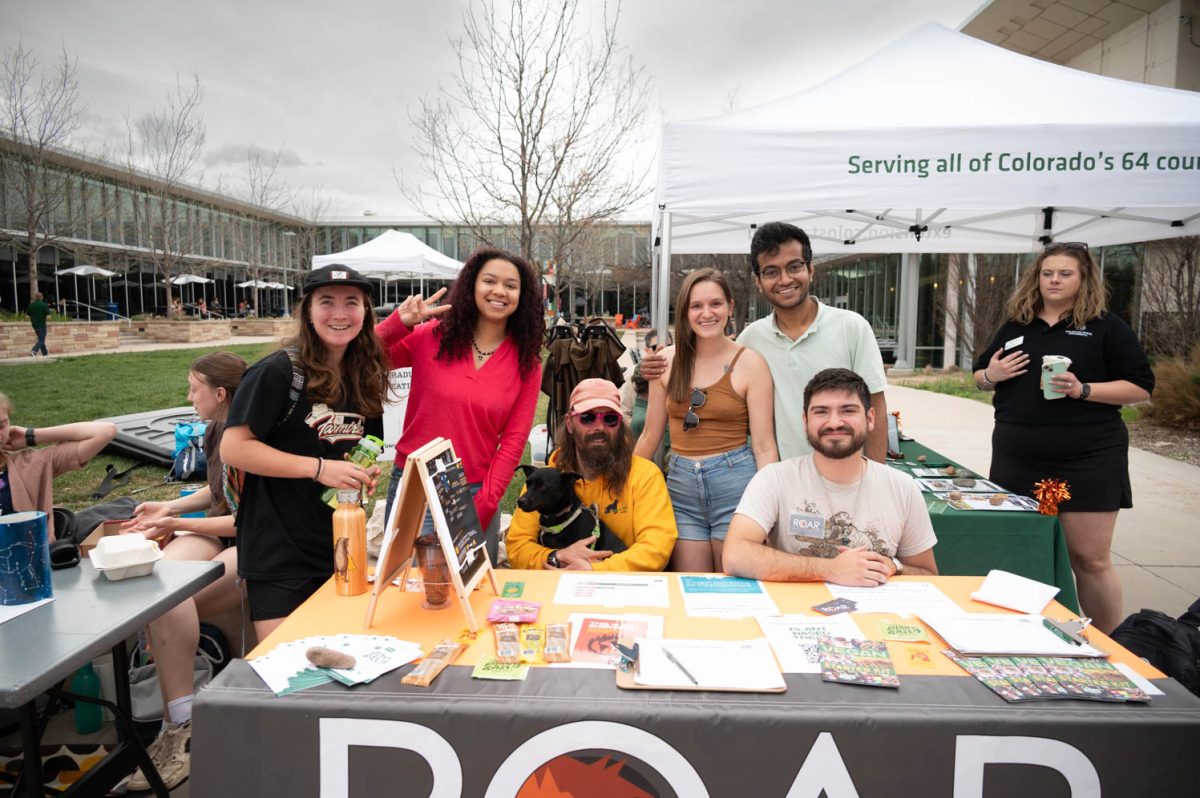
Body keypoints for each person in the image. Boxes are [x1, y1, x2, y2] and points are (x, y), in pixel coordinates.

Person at [972, 242, 1154, 633]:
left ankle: (1109, 644)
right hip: (1017, 456)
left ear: (1083, 278)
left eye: (1064, 273)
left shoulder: (1105, 326)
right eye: (1047, 273)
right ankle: (1027, 635)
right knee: (1020, 551)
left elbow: (1140, 387)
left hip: (1087, 457)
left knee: (1089, 559)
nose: (1054, 280)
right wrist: (992, 376)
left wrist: (1083, 389)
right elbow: (979, 374)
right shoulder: (1017, 324)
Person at [222, 264, 388, 639]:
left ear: (366, 313)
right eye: (326, 302)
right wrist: (318, 469)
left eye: (352, 303)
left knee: (341, 665)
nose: (340, 314)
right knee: (289, 672)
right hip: (279, 552)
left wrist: (360, 474)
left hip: (340, 547)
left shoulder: (365, 376)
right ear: (308, 312)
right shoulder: (278, 372)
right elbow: (233, 448)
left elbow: (363, 448)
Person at [641, 223, 889, 462]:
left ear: (810, 269)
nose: (784, 279)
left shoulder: (852, 328)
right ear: (758, 281)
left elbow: (875, 410)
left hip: (843, 473)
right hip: (779, 481)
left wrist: (876, 479)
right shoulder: (751, 340)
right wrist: (653, 367)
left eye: (794, 267)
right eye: (771, 272)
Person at [121, 352, 247, 792]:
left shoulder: (251, 434)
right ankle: (181, 721)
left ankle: (185, 730)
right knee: (163, 588)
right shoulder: (215, 429)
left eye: (194, 389)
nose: (188, 397)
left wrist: (176, 524)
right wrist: (169, 506)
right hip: (217, 527)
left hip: (250, 541)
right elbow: (217, 493)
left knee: (172, 603)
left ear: (219, 393)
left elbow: (245, 520)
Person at [377, 248, 543, 566]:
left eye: (511, 285)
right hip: (416, 487)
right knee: (411, 595)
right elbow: (362, 357)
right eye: (489, 281)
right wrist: (399, 323)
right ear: (471, 286)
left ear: (522, 296)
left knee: (473, 600)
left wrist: (486, 502)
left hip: (474, 491)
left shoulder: (527, 362)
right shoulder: (431, 337)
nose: (499, 291)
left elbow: (513, 441)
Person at [723, 368, 937, 586]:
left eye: (848, 410)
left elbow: (929, 576)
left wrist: (895, 566)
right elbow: (735, 556)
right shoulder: (774, 479)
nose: (834, 422)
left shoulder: (902, 487)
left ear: (870, 418)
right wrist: (831, 569)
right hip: (794, 614)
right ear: (805, 421)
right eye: (821, 412)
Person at [634, 268, 778, 572]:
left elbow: (765, 446)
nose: (706, 313)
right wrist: (623, 486)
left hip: (736, 486)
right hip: (681, 489)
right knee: (692, 587)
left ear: (730, 307)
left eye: (715, 304)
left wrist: (769, 505)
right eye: (696, 306)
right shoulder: (666, 360)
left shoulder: (751, 363)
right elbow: (650, 436)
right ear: (685, 311)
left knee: (734, 587)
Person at [507, 378, 677, 572]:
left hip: (623, 590)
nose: (600, 427)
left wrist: (593, 571)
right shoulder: (547, 478)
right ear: (570, 423)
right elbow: (517, 547)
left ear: (620, 425)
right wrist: (557, 557)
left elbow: (657, 548)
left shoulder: (645, 476)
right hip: (557, 586)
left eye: (610, 419)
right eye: (587, 417)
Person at [0, 393, 116, 540]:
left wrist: (31, 436)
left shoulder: (29, 465)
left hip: (28, 560)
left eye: (1, 425)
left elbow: (105, 431)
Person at [26, 291, 50, 357]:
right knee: (41, 340)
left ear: (35, 298)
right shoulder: (44, 305)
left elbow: (27, 317)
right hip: (42, 325)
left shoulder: (31, 305)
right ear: (41, 297)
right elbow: (48, 316)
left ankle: (45, 354)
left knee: (41, 339)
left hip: (34, 325)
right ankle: (34, 351)